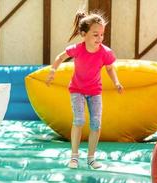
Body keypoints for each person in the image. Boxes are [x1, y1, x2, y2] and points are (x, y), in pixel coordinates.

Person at [45, 10, 123, 169]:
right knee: (79, 120)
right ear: (83, 34)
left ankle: (91, 158)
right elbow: (60, 57)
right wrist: (53, 71)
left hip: (95, 92)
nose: (100, 38)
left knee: (96, 124)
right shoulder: (77, 49)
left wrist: (116, 82)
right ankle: (74, 157)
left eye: (102, 34)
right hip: (77, 90)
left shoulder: (105, 52)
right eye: (95, 35)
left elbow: (109, 69)